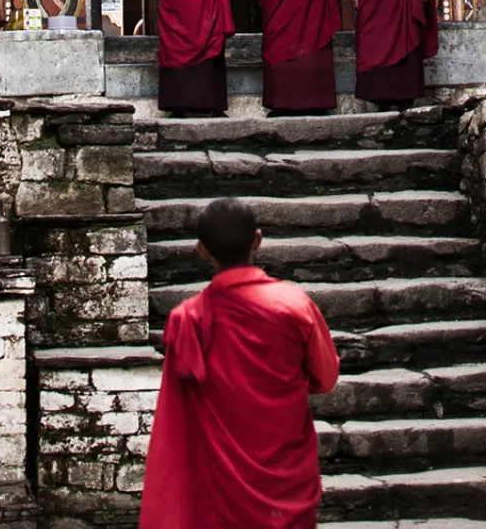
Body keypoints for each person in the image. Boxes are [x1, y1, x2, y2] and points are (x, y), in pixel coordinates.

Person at [140, 198, 340, 529]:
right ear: (257, 241)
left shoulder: (188, 319)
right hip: (287, 480)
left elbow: (177, 417)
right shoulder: (294, 306)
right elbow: (327, 377)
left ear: (202, 251)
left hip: (221, 487)